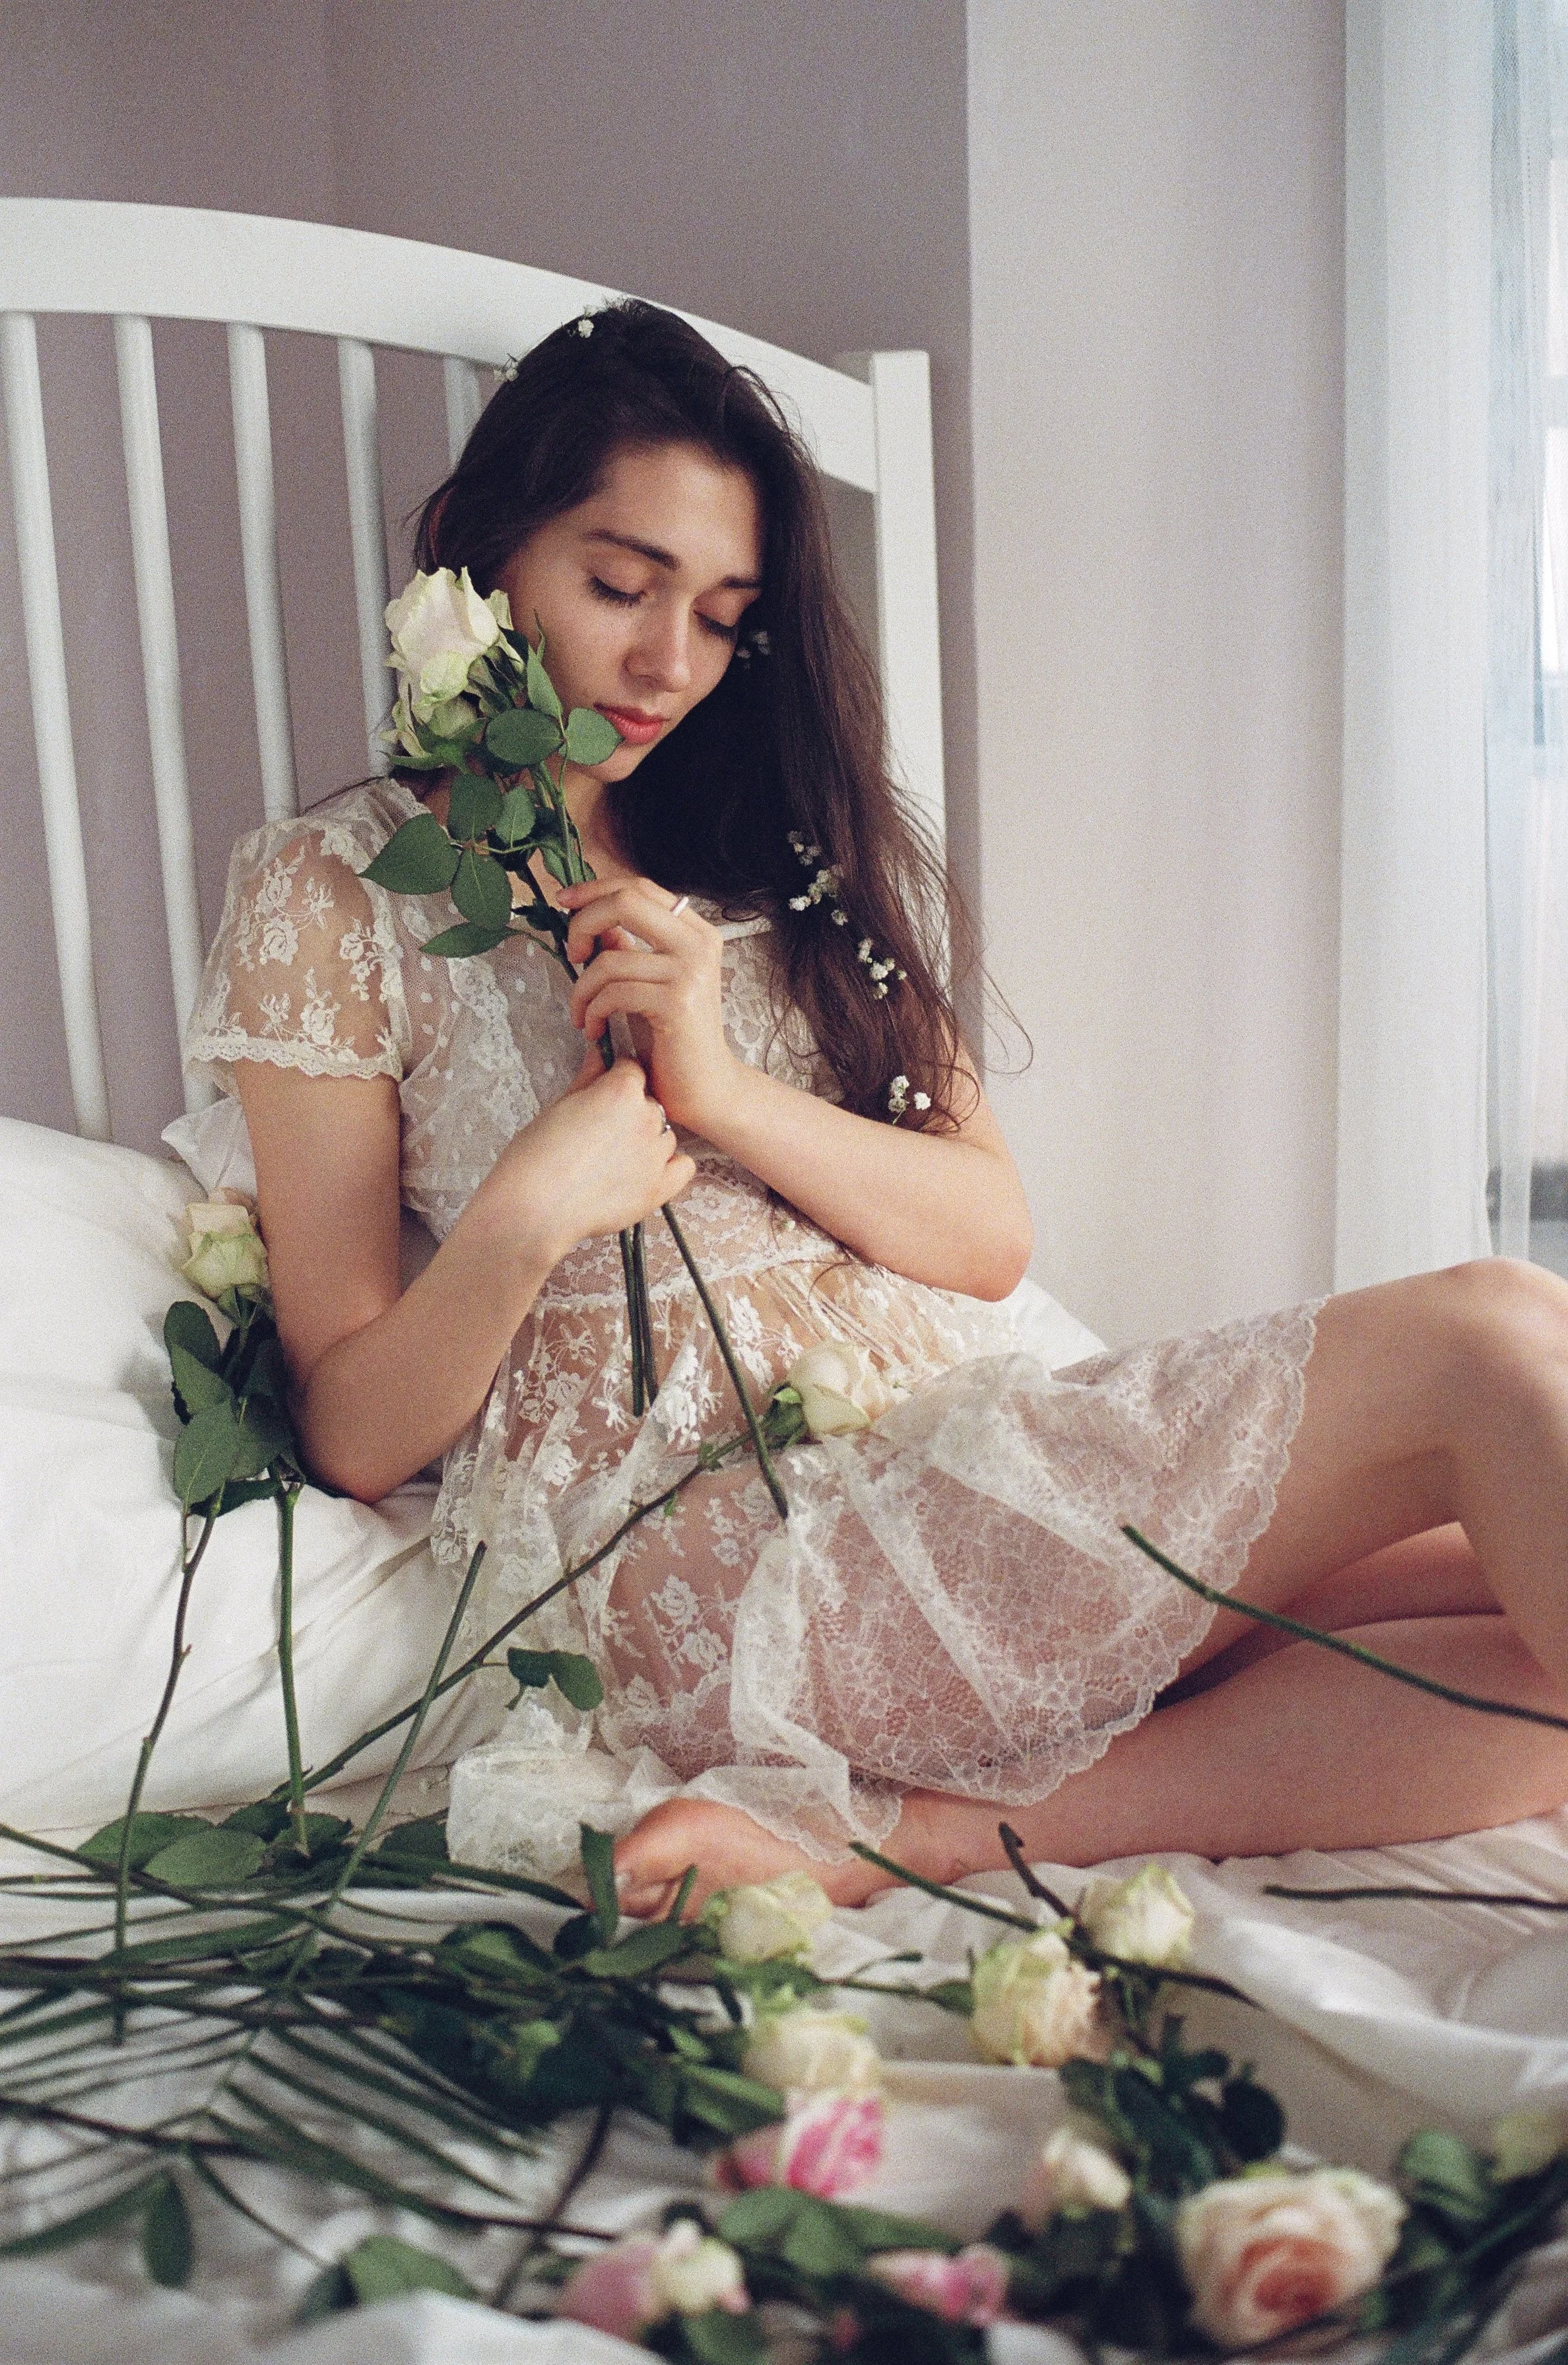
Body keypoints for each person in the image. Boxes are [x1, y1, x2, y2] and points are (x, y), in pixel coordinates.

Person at [187, 302, 1568, 1920]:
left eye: (719, 615)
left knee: (1525, 1610)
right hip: (744, 1560)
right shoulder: (330, 891)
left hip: (965, 1452)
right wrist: (529, 1210)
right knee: (1494, 1331)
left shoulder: (787, 858)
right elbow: (349, 1431)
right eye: (619, 586)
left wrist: (720, 1093)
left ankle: (897, 1839)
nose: (666, 665)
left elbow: (988, 1239)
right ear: (471, 556)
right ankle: (896, 1805)